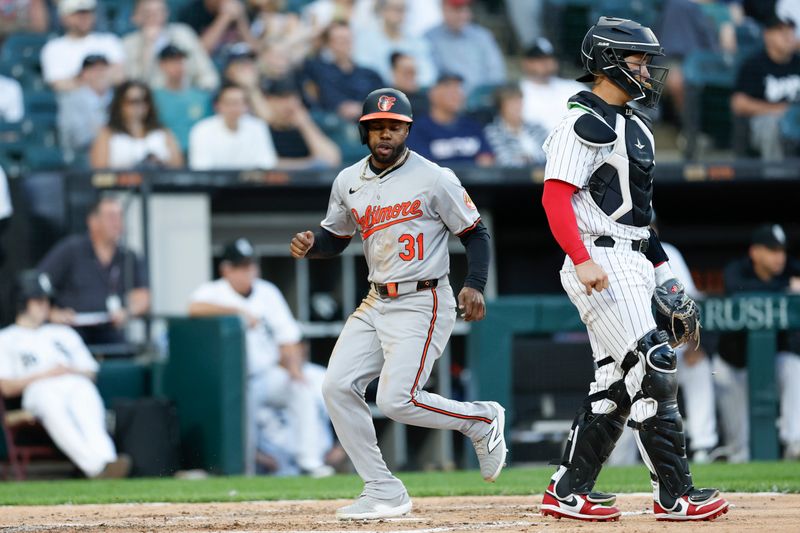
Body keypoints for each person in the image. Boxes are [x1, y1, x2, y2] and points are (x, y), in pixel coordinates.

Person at [538, 17, 728, 521]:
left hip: (633, 256)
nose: (647, 70)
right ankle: (676, 494)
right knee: (653, 364)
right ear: (607, 62)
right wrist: (582, 260)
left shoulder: (634, 124)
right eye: (638, 60)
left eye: (646, 61)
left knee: (614, 382)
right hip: (598, 257)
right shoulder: (583, 120)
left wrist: (664, 272)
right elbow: (554, 198)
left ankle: (568, 489)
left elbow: (642, 218)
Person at [289, 87, 507, 520]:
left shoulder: (435, 177)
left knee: (395, 400)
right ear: (364, 131)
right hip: (376, 299)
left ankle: (480, 420)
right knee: (336, 386)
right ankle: (382, 488)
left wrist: (475, 283)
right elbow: (337, 237)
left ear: (406, 130)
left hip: (423, 298)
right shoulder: (348, 179)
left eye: (393, 127)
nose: (385, 134)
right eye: (377, 127)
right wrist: (314, 245)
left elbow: (475, 233)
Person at [189, 238, 335, 476]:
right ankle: (244, 470)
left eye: (250, 265)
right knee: (243, 426)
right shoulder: (214, 292)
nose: (249, 272)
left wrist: (294, 368)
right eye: (241, 266)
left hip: (268, 374)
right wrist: (237, 312)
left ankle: (310, 462)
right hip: (237, 381)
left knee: (300, 390)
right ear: (226, 269)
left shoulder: (268, 292)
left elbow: (288, 338)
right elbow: (193, 308)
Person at [0, 271, 131, 479]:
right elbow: (6, 387)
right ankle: (96, 468)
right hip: (37, 389)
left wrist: (69, 371)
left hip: (73, 382)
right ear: (22, 302)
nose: (44, 305)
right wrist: (46, 374)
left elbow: (90, 371)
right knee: (50, 400)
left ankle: (108, 461)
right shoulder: (6, 338)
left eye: (46, 300)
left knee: (85, 392)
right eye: (37, 300)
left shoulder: (62, 332)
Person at [716, 224, 800, 461]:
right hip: (734, 363)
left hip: (772, 360)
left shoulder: (789, 267)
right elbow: (737, 290)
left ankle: (794, 441)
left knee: (794, 367)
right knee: (740, 448)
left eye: (782, 251)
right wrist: (786, 290)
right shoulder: (737, 270)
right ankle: (737, 455)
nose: (779, 257)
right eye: (772, 250)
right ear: (755, 252)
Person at [37, 196, 150, 346]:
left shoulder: (128, 257)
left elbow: (143, 297)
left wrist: (127, 312)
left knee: (127, 353)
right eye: (111, 216)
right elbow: (38, 283)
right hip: (71, 331)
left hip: (109, 330)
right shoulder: (71, 250)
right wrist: (52, 313)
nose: (117, 222)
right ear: (93, 222)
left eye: (120, 216)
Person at [731, 15, 800, 160]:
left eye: (791, 31)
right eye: (781, 31)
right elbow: (739, 104)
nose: (788, 36)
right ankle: (776, 177)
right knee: (772, 125)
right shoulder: (754, 65)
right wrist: (779, 111)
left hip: (797, 120)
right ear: (767, 35)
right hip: (764, 123)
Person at [123, 0, 220, 91]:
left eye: (159, 11)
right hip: (150, 103)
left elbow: (208, 76)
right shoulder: (127, 44)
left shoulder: (184, 34)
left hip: (185, 97)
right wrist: (148, 46)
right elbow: (133, 86)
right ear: (136, 17)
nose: (154, 17)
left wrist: (195, 96)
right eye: (147, 13)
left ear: (167, 13)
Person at [300, 21, 383, 121]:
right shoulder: (319, 69)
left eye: (347, 39)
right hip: (333, 123)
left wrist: (361, 108)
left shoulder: (369, 74)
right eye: (339, 40)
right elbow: (297, 60)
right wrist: (315, 37)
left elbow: (387, 100)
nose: (344, 43)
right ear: (329, 44)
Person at [90, 81, 184, 169]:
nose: (140, 106)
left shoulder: (162, 132)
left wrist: (158, 162)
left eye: (144, 100)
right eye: (133, 101)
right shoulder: (107, 134)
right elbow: (99, 170)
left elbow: (178, 165)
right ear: (120, 104)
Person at [406, 73, 493, 167]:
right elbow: (424, 167)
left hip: (476, 181)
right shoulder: (419, 129)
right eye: (450, 89)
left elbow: (487, 159)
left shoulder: (472, 125)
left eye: (458, 89)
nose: (457, 95)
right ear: (433, 94)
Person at [40, 0, 125, 92]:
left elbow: (119, 76)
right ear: (63, 18)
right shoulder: (53, 48)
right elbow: (58, 84)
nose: (84, 17)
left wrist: (81, 79)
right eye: (77, 13)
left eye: (88, 12)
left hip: (109, 100)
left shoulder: (110, 41)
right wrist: (97, 79)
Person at [188, 82, 278, 169]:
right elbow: (201, 167)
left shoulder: (258, 127)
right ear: (217, 106)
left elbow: (267, 163)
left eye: (239, 103)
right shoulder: (202, 130)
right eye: (229, 103)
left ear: (247, 106)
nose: (234, 108)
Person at [424, 0, 505, 95]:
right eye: (457, 10)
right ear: (443, 8)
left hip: (483, 98)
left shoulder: (482, 36)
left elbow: (496, 74)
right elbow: (430, 77)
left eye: (466, 9)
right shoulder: (430, 38)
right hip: (447, 99)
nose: (463, 15)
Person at [353, 0, 437, 87]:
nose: (400, 13)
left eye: (403, 9)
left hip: (415, 95)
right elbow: (365, 72)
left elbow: (429, 76)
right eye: (395, 9)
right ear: (382, 10)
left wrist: (408, 82)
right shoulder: (366, 40)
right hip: (380, 94)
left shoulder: (417, 42)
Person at [265, 80, 342, 169]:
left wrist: (305, 124)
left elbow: (331, 160)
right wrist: (309, 164)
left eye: (293, 98)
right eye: (282, 98)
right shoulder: (261, 128)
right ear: (269, 100)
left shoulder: (305, 125)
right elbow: (265, 163)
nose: (289, 104)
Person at [152, 45, 214, 153]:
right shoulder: (153, 98)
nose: (177, 66)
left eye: (180, 61)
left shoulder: (202, 97)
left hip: (199, 154)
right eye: (172, 61)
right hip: (167, 155)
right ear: (161, 65)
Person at [519, 37, 585, 134]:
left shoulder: (574, 87)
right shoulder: (517, 92)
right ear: (526, 62)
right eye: (539, 59)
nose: (546, 63)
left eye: (550, 58)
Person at [58, 54, 113, 166]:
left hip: (117, 154)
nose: (100, 74)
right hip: (82, 158)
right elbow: (77, 139)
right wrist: (105, 133)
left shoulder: (118, 98)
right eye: (94, 70)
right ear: (84, 74)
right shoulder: (71, 100)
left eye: (103, 69)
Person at [483, 84, 547, 167]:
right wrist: (535, 159)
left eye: (519, 101)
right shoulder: (493, 132)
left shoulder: (537, 128)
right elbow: (505, 161)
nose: (516, 106)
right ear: (500, 106)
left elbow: (552, 154)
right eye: (511, 102)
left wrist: (526, 159)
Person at [178, 0, 257, 58]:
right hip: (212, 67)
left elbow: (256, 50)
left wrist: (241, 20)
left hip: (239, 61)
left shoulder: (240, 8)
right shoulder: (191, 12)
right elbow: (199, 55)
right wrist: (224, 18)